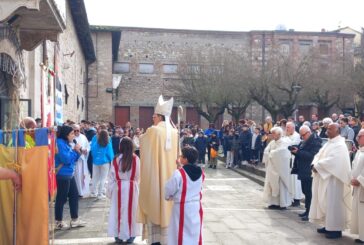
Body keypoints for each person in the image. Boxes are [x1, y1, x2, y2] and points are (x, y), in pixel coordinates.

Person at [138, 95, 178, 245]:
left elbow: (142, 143)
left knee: (154, 200)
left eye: (154, 115)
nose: (152, 118)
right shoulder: (175, 132)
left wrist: (140, 137)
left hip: (155, 176)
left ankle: (155, 240)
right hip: (170, 176)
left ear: (160, 116)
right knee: (167, 206)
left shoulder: (153, 130)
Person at [309, 123, 352, 239]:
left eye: (330, 129)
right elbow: (318, 155)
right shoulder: (329, 142)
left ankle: (335, 229)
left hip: (334, 180)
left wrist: (317, 166)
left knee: (333, 204)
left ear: (338, 131)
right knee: (325, 203)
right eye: (327, 129)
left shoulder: (340, 145)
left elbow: (334, 161)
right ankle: (328, 225)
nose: (327, 131)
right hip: (324, 178)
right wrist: (315, 164)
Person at [165, 146, 204, 245]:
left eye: (182, 156)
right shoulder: (201, 173)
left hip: (182, 207)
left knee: (179, 233)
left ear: (185, 159)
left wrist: (169, 197)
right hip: (196, 207)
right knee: (194, 232)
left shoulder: (179, 173)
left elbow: (169, 189)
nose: (180, 157)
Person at [107, 137, 141, 244]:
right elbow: (138, 175)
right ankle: (131, 235)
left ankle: (118, 236)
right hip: (132, 187)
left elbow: (111, 177)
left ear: (120, 146)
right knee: (132, 212)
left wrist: (109, 191)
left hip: (119, 187)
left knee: (117, 212)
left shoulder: (116, 159)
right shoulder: (136, 159)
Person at [55, 125, 85, 229]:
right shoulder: (59, 143)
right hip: (63, 174)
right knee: (61, 198)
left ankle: (74, 219)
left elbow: (74, 158)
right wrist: (74, 151)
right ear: (66, 134)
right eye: (72, 133)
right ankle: (59, 221)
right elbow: (66, 159)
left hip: (69, 173)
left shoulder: (66, 143)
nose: (74, 135)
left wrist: (77, 151)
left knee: (74, 195)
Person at [290, 125, 322, 221]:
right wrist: (295, 150)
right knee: (306, 191)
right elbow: (301, 151)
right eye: (301, 135)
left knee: (309, 192)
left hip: (309, 170)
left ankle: (310, 213)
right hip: (303, 169)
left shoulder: (316, 141)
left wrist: (298, 152)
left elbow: (312, 156)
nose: (302, 137)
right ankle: (307, 210)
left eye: (303, 135)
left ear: (308, 133)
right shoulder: (305, 140)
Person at [262, 127, 292, 210]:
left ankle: (282, 203)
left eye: (274, 133)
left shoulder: (285, 142)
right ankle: (273, 203)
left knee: (280, 185)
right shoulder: (272, 142)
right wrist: (268, 153)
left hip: (280, 169)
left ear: (279, 134)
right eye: (271, 133)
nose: (272, 135)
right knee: (271, 184)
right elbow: (266, 150)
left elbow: (283, 152)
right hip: (271, 168)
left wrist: (271, 153)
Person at [90, 129, 114, 199]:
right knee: (103, 178)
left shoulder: (96, 143)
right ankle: (100, 194)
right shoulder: (108, 143)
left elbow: (92, 152)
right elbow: (110, 153)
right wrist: (111, 160)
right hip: (105, 162)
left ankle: (94, 192)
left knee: (95, 177)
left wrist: (95, 158)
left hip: (95, 162)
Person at [350, 129, 364, 243]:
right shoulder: (360, 151)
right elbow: (354, 165)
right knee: (360, 212)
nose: (357, 138)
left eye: (359, 136)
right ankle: (362, 236)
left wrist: (360, 180)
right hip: (357, 186)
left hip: (362, 185)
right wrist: (352, 177)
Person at [285, 122, 303, 207]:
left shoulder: (297, 136)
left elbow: (290, 145)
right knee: (290, 181)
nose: (286, 129)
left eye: (288, 127)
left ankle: (297, 199)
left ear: (293, 128)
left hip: (295, 161)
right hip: (288, 160)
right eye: (286, 127)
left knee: (296, 181)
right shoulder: (286, 136)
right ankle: (291, 198)